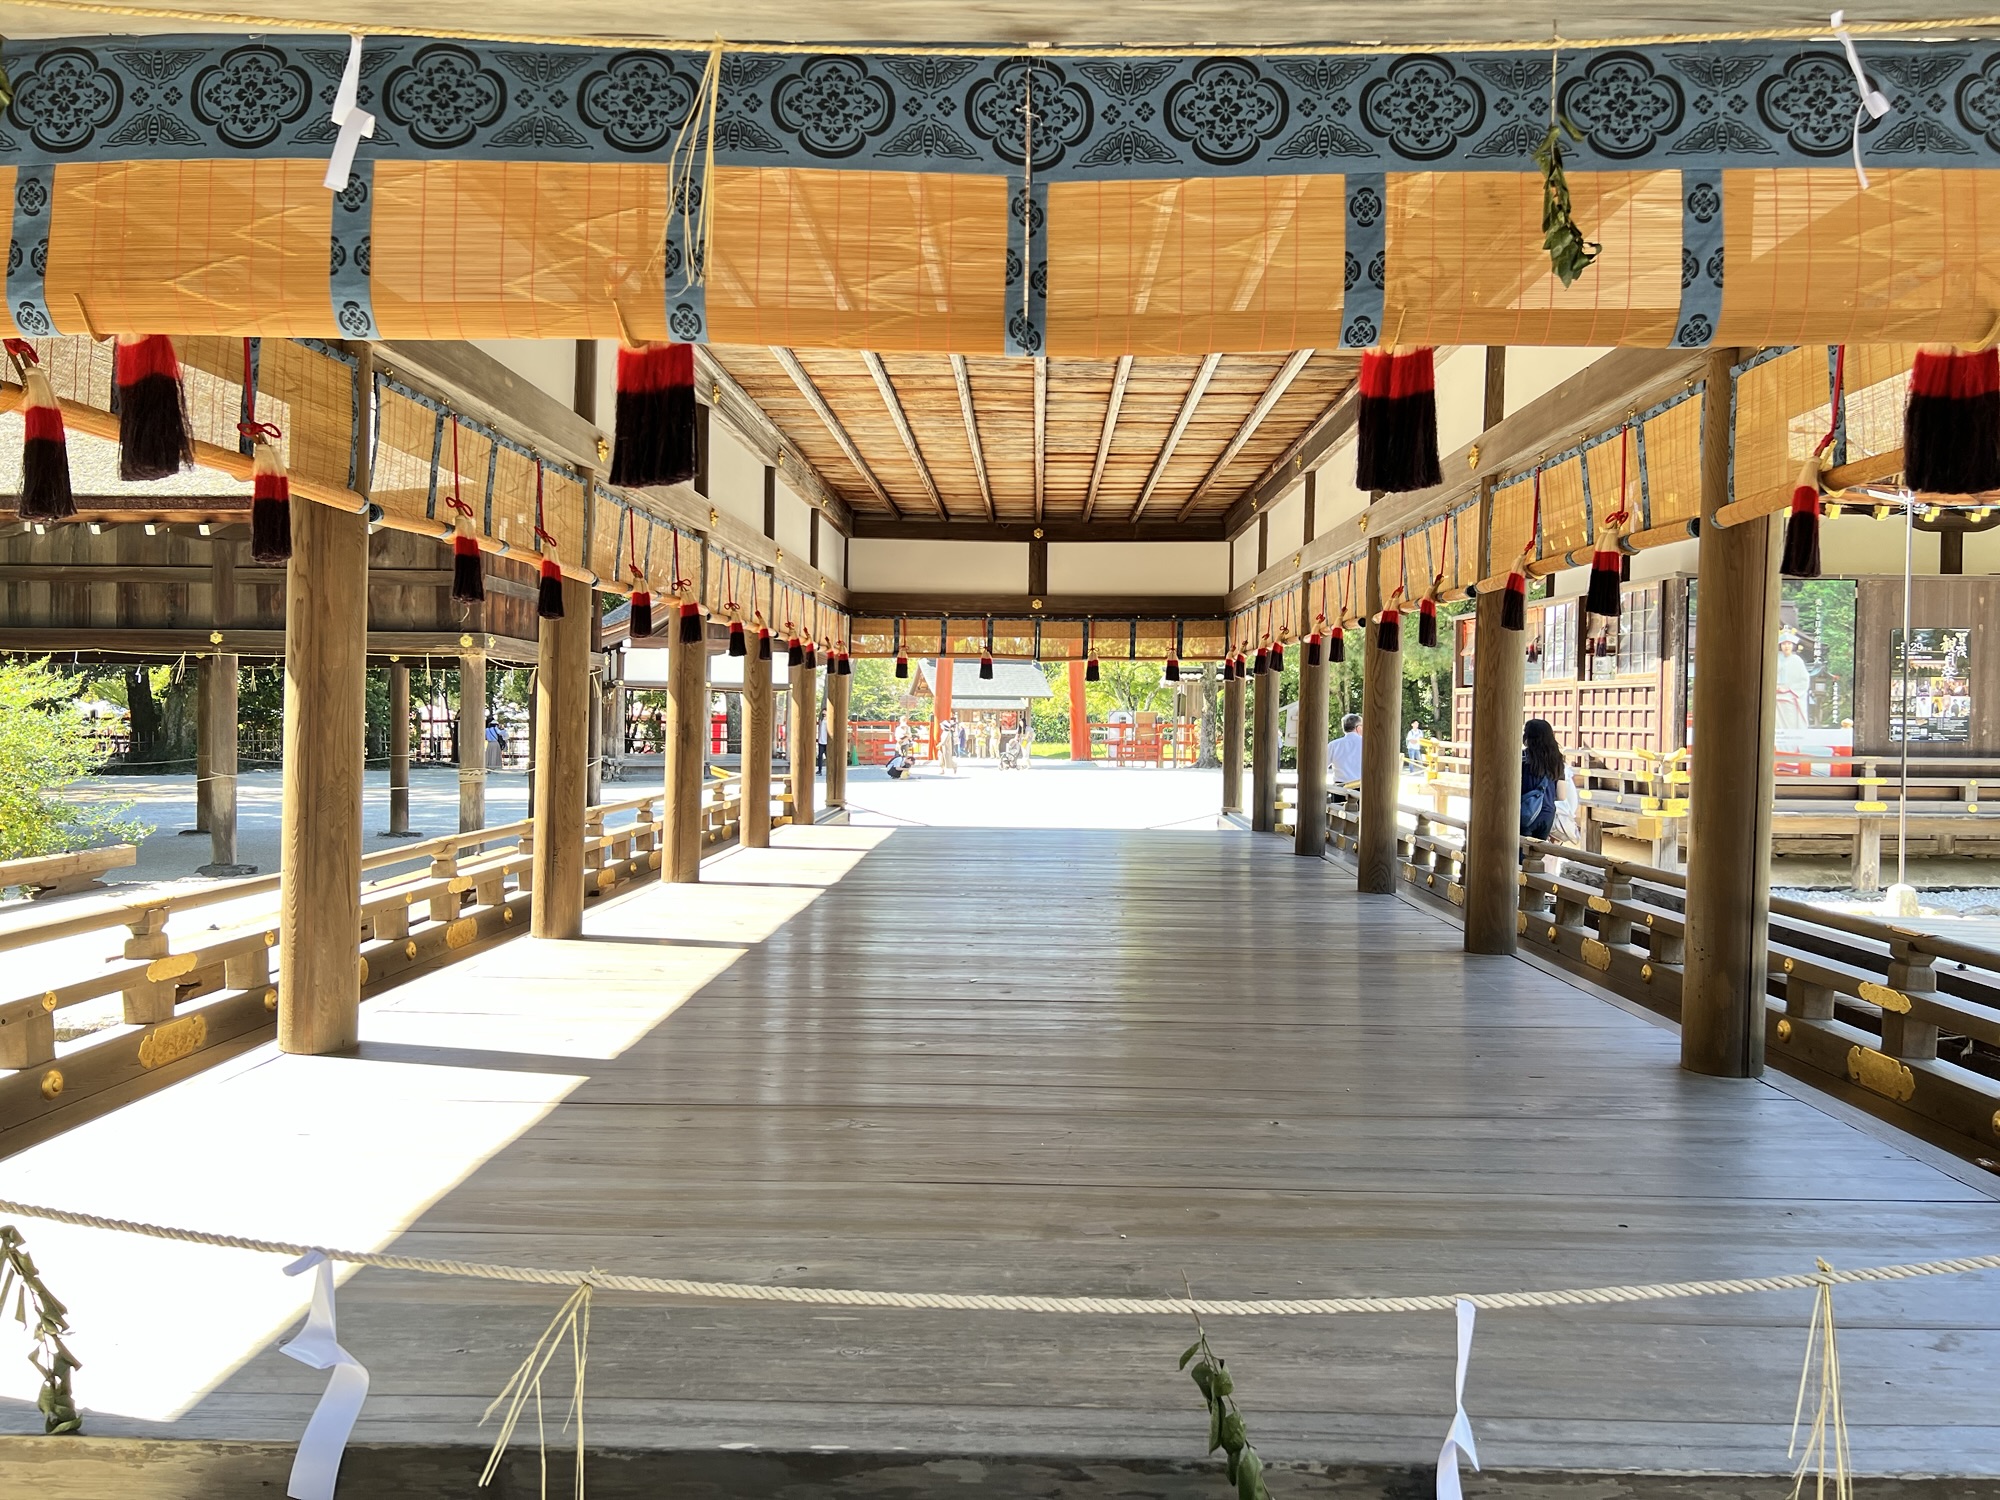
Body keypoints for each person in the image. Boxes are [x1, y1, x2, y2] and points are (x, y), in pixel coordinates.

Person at [1520, 719, 1565, 841]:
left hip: (1526, 812)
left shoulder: (1522, 758)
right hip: (1547, 815)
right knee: (1537, 854)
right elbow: (1562, 795)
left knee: (1520, 855)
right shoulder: (1557, 760)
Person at [1327, 714, 1364, 790]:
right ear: (1359, 727)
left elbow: (1321, 766)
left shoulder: (1333, 745)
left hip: (1340, 788)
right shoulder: (1367, 743)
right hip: (1362, 786)